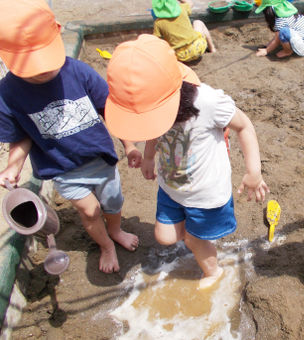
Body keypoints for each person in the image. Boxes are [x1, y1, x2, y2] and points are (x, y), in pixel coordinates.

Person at [104, 34, 270, 289]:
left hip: (205, 194)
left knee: (194, 242)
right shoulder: (154, 110)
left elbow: (244, 126)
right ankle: (196, 236)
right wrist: (149, 156)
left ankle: (213, 273)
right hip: (171, 187)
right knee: (165, 236)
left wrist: (254, 172)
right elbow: (154, 130)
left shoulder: (208, 103)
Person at [0, 0, 141, 274]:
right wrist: (14, 166)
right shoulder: (7, 94)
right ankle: (106, 245)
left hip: (100, 159)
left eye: (46, 63)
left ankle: (115, 230)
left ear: (58, 35)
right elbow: (21, 135)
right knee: (89, 211)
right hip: (62, 167)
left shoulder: (78, 71)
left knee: (113, 203)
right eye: (32, 67)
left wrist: (130, 145)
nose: (42, 72)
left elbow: (109, 110)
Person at [152, 0, 216, 63]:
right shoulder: (182, 9)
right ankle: (212, 49)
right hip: (198, 48)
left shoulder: (158, 23)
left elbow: (156, 40)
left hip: (180, 56)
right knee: (198, 22)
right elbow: (190, 3)